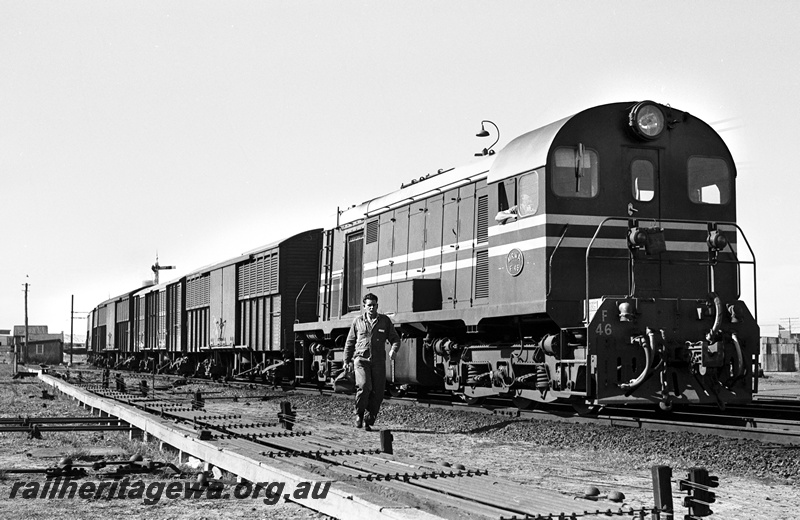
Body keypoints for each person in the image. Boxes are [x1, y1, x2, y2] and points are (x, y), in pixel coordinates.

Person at [344, 293, 400, 431]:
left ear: (377, 306)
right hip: (361, 360)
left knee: (379, 392)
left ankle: (369, 419)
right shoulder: (357, 322)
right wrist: (346, 360)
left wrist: (394, 350)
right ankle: (359, 413)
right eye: (369, 305)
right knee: (364, 386)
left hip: (378, 362)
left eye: (374, 305)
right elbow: (350, 342)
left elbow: (395, 339)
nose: (371, 308)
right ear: (364, 307)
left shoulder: (385, 321)